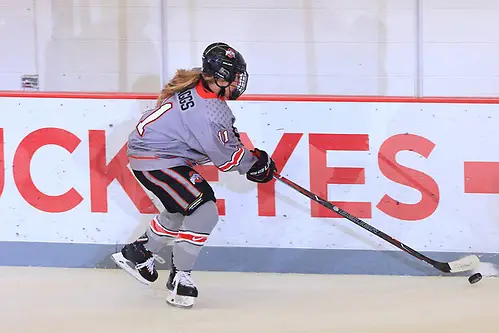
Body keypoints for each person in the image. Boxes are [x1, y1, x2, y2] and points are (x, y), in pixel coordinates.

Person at [111, 42, 276, 309]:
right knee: (204, 209)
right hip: (158, 160)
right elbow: (227, 159)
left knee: (179, 210)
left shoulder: (199, 85)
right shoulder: (210, 110)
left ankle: (138, 253)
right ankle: (180, 278)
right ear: (220, 77)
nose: (237, 84)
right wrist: (255, 164)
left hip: (155, 156)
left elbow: (220, 140)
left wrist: (250, 156)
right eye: (234, 78)